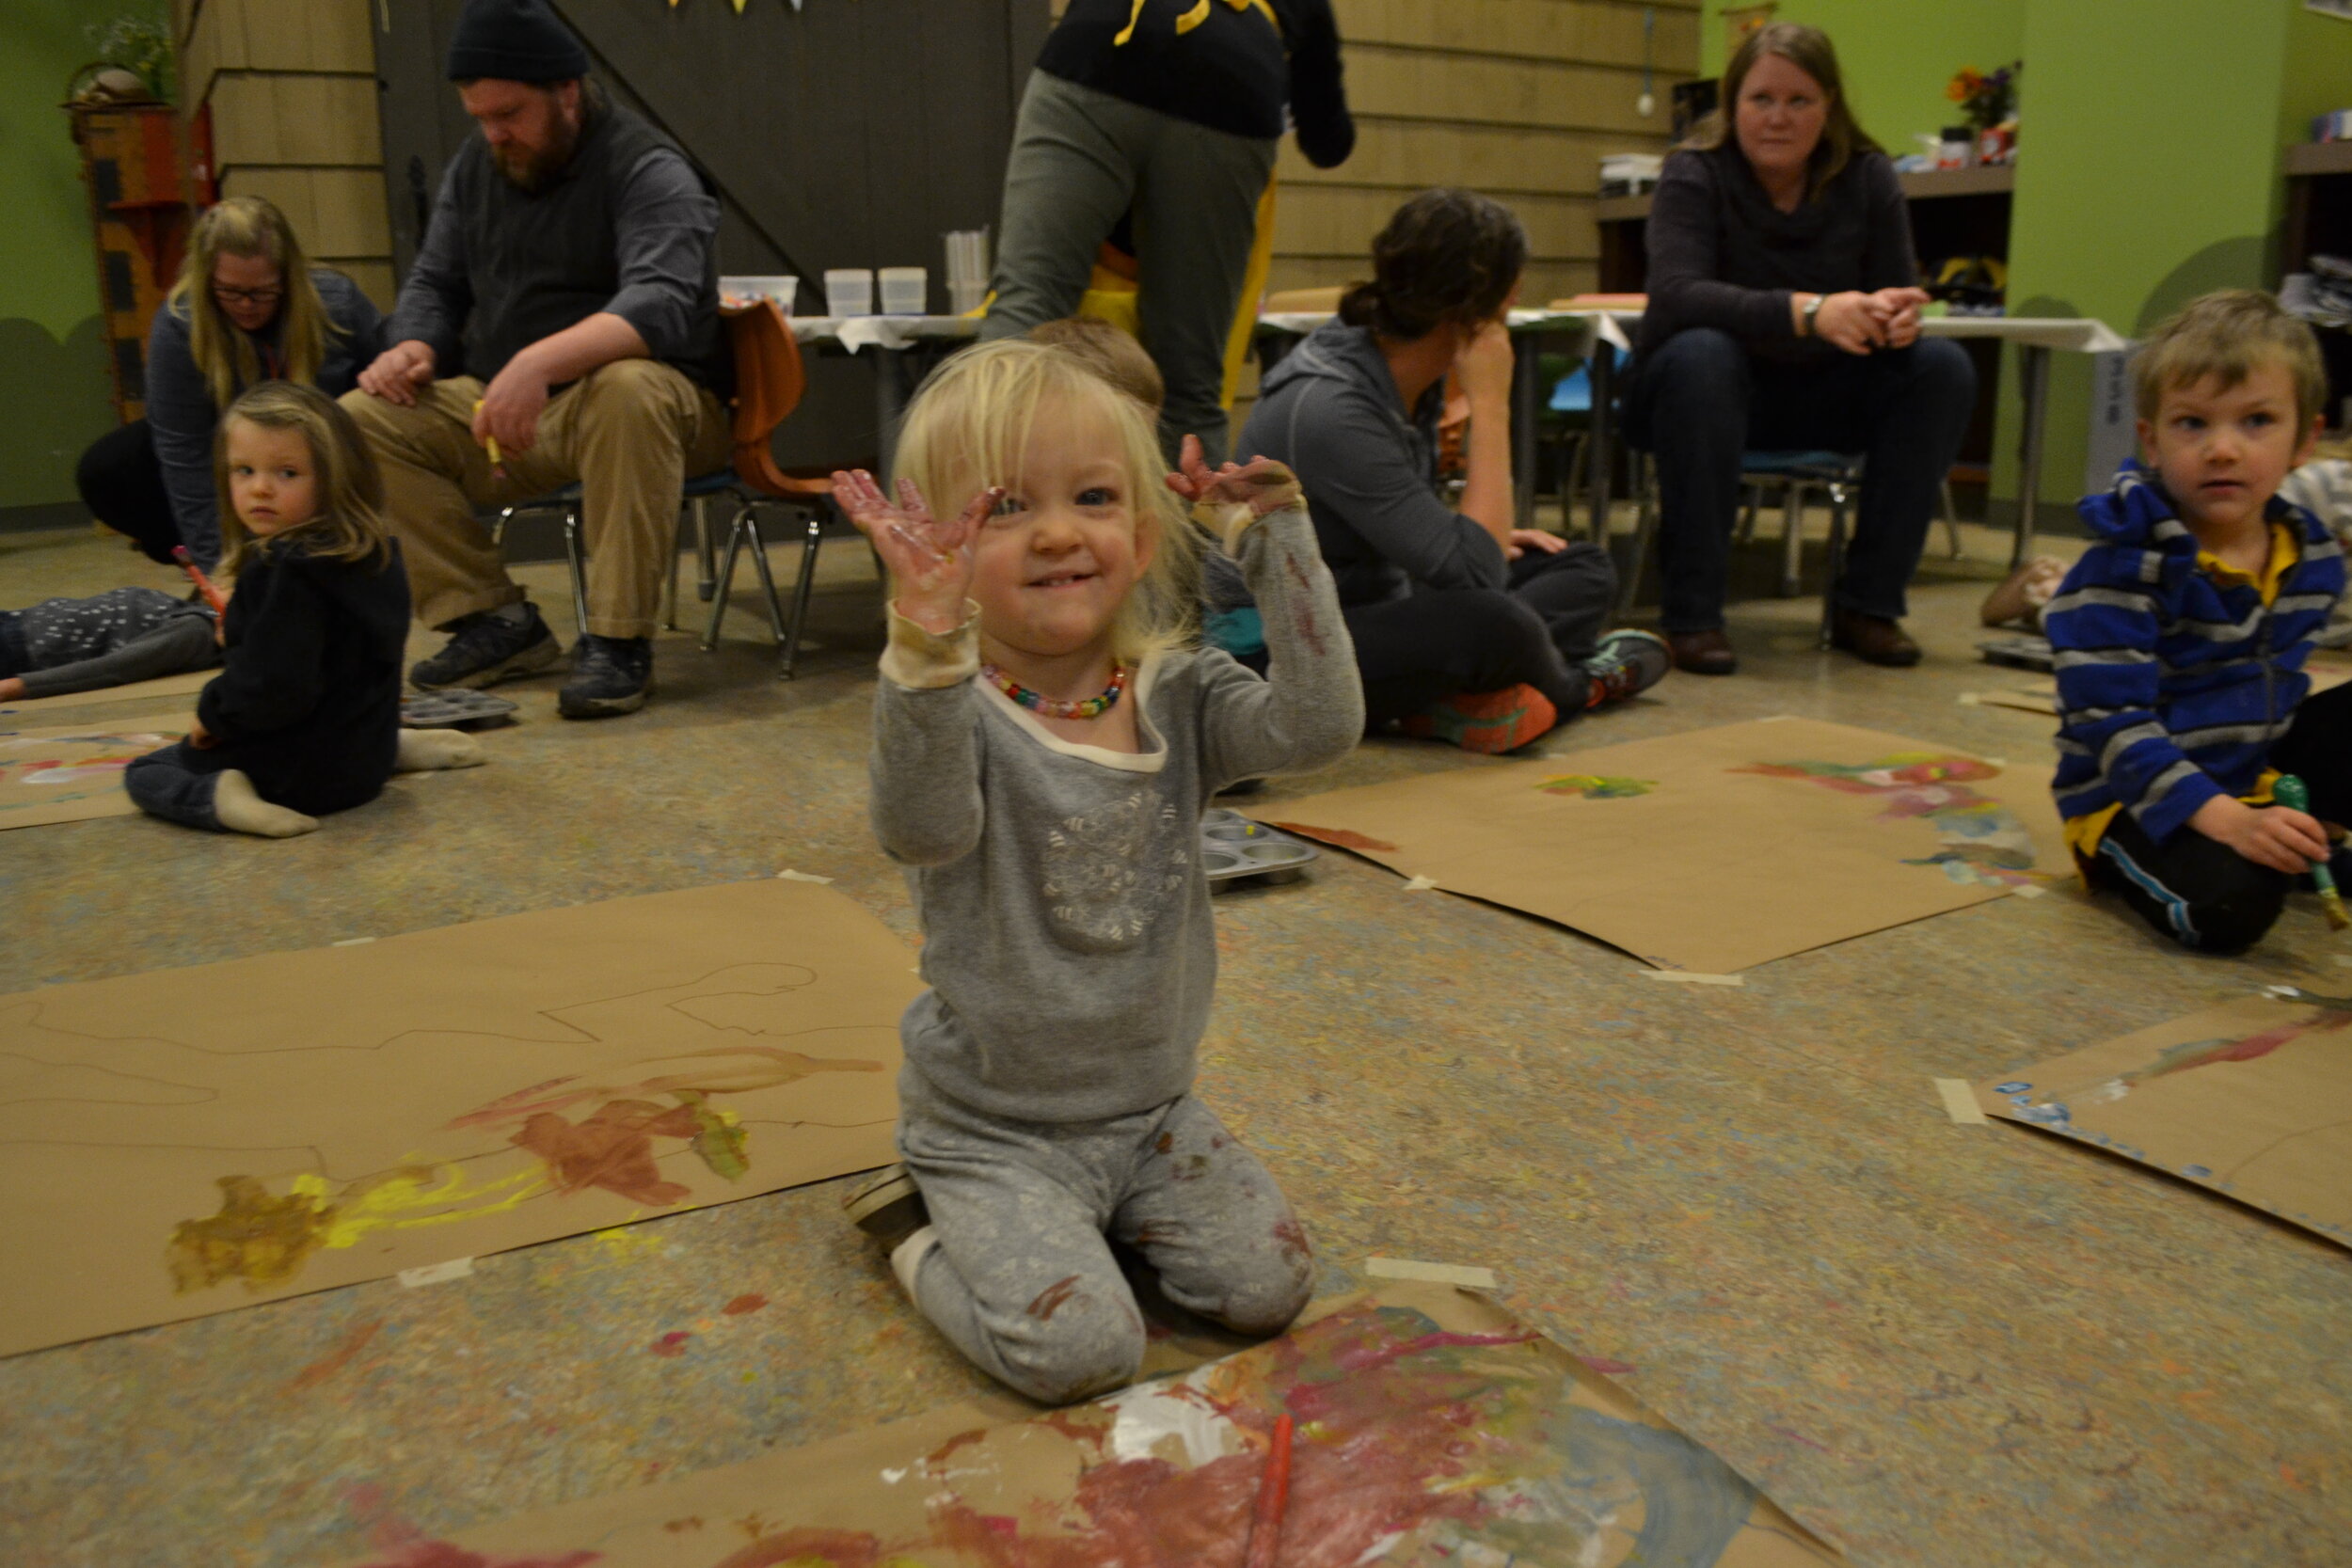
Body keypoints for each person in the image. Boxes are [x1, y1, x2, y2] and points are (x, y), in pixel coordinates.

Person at [832, 340, 1359, 1404]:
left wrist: (1280, 543)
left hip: (1152, 1107)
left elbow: (1318, 727)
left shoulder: (1181, 688)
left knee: (1269, 1285)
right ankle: (914, 1229)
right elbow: (921, 831)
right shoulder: (952, 703)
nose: (1061, 531)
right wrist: (927, 643)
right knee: (1080, 1356)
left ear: (1145, 530)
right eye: (1006, 507)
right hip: (993, 1125)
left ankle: (1082, 1228)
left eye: (1091, 497)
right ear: (940, 545)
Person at [344, 0, 730, 720]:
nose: (495, 134)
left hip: (660, 409)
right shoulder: (475, 168)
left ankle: (617, 639)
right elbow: (435, 280)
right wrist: (414, 345)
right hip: (514, 408)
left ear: (567, 93)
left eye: (510, 114)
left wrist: (538, 363)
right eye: (479, 117)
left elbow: (662, 301)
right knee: (361, 418)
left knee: (628, 389)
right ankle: (492, 619)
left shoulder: (648, 167)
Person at [1239, 189, 1669, 755]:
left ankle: (1453, 700)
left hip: (1373, 600)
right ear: (1482, 312)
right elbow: (1478, 582)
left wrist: (1472, 539)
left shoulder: (1399, 368)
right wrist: (1491, 404)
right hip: (1289, 648)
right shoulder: (1329, 406)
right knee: (1494, 621)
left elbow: (1443, 552)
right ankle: (1579, 685)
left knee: (1583, 566)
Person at [1626, 22, 1977, 675]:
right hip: (1696, 395)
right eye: (1761, 99)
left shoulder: (1869, 176)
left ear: (1830, 107)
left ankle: (1868, 605)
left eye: (1799, 101)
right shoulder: (1693, 173)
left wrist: (1896, 320)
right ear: (1733, 105)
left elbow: (1895, 289)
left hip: (1822, 393)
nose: (1778, 118)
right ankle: (1692, 613)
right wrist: (1808, 313)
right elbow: (1676, 293)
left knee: (1940, 367)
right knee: (1704, 354)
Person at [2049, 291, 2348, 954]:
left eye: (2257, 421)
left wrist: (2280, 803)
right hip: (2127, 795)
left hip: (2250, 767)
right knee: (2232, 906)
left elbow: (2283, 683)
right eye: (2192, 424)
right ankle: (2196, 856)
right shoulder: (2123, 567)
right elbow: (2116, 731)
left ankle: (2302, 837)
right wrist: (2230, 824)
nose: (2222, 449)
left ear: (2304, 439)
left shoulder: (2315, 554)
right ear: (2152, 441)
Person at [980, 0, 1354, 465]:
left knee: (1024, 311)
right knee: (1190, 380)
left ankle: (962, 517)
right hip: (1232, 91)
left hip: (1100, 47)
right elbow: (1328, 144)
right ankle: (1191, 533)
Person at [125, 384, 483, 839]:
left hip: (293, 780)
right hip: (360, 765)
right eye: (243, 470)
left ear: (335, 478)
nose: (260, 488)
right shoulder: (377, 554)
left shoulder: (280, 570)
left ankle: (224, 797)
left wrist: (213, 717)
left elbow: (272, 689)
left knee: (153, 768)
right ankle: (390, 748)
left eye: (287, 473)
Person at [75, 196, 383, 570]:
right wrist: (222, 570)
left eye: (263, 291)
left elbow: (385, 380)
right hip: (233, 463)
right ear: (205, 282)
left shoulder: (336, 301)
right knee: (112, 465)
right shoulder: (179, 326)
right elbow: (183, 455)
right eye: (230, 292)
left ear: (289, 278)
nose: (247, 305)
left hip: (321, 461)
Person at [0, 587, 218, 704]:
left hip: (18, 646)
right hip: (17, 626)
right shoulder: (201, 615)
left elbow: (115, 667)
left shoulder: (198, 630)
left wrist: (17, 686)